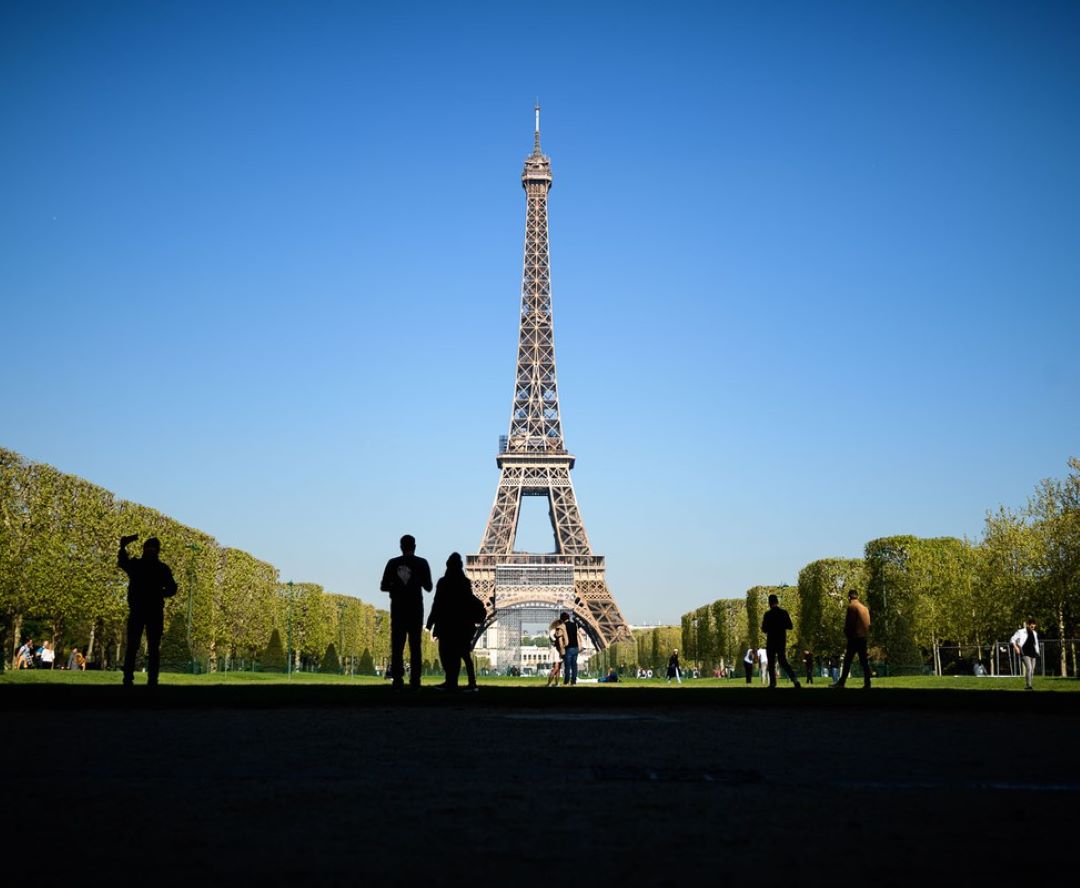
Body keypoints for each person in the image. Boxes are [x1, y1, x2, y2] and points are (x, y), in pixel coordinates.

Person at [119, 534, 178, 688]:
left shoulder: (137, 565)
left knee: (133, 645)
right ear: (158, 551)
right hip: (155, 610)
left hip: (137, 608)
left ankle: (127, 678)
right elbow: (172, 588)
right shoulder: (162, 568)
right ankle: (152, 680)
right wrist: (159, 593)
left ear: (144, 549)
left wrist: (123, 547)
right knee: (153, 647)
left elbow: (123, 562)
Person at [380, 534, 433, 691]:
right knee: (415, 645)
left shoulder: (392, 563)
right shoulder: (422, 563)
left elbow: (383, 586)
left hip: (398, 608)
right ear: (414, 547)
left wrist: (396, 587)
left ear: (401, 546)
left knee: (397, 645)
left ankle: (397, 679)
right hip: (415, 608)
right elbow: (429, 587)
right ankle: (415, 680)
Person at [426, 552, 478, 692]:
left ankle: (451, 682)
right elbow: (469, 603)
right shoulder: (465, 582)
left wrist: (430, 624)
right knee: (465, 655)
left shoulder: (443, 582)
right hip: (462, 624)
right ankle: (472, 683)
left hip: (447, 624)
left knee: (447, 654)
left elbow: (437, 604)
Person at [761, 594, 801, 688]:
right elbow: (790, 626)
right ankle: (794, 679)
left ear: (769, 603)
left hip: (771, 640)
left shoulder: (767, 614)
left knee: (771, 662)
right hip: (781, 639)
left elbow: (764, 629)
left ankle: (773, 683)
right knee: (783, 661)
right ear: (777, 601)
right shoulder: (784, 613)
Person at [833, 589, 871, 689]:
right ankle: (868, 682)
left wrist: (847, 633)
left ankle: (841, 683)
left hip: (854, 638)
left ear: (849, 597)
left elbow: (850, 623)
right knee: (864, 662)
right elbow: (868, 624)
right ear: (857, 597)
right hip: (863, 637)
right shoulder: (865, 608)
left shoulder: (852, 607)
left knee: (847, 661)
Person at [1010, 619, 1040, 690]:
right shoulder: (1020, 631)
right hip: (1024, 652)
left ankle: (1029, 684)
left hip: (1033, 653)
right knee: (1029, 668)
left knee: (1032, 670)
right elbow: (1012, 639)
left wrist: (1037, 652)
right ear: (1028, 625)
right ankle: (1028, 685)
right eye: (1031, 624)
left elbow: (1035, 644)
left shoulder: (1035, 633)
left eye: (1034, 624)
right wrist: (1016, 647)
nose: (1033, 625)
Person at [560, 611, 580, 685]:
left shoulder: (563, 626)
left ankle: (566, 681)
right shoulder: (574, 625)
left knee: (567, 666)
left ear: (562, 619)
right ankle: (574, 681)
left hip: (569, 648)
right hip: (576, 647)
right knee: (574, 665)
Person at [548, 618, 568, 687]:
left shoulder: (558, 631)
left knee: (559, 668)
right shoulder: (553, 632)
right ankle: (549, 683)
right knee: (556, 668)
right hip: (556, 650)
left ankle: (557, 683)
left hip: (560, 650)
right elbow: (555, 640)